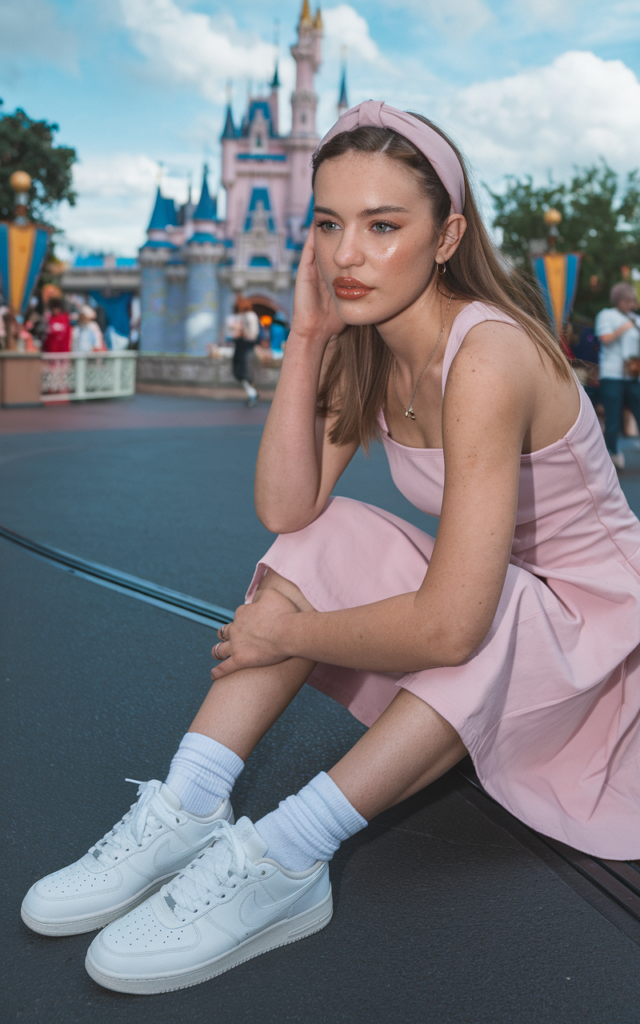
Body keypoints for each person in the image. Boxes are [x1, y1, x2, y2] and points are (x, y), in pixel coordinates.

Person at [21, 101, 640, 995]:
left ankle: (287, 858)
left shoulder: (489, 356)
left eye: (383, 225)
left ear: (445, 236)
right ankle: (187, 804)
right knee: (323, 531)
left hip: (604, 649)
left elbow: (456, 626)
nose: (345, 255)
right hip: (506, 616)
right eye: (327, 223)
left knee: (484, 600)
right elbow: (287, 504)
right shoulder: (372, 347)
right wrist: (308, 336)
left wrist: (289, 637)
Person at [594, 282, 640, 470]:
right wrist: (625, 326)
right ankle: (613, 454)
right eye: (629, 300)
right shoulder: (606, 315)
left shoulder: (635, 319)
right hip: (612, 375)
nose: (632, 304)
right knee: (613, 417)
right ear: (620, 301)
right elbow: (604, 338)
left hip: (633, 376)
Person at [227, 295, 260, 406]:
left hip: (243, 347)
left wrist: (237, 329)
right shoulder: (252, 316)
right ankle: (252, 393)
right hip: (247, 346)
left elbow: (246, 332)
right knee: (246, 373)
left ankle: (252, 394)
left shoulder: (246, 316)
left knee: (243, 372)